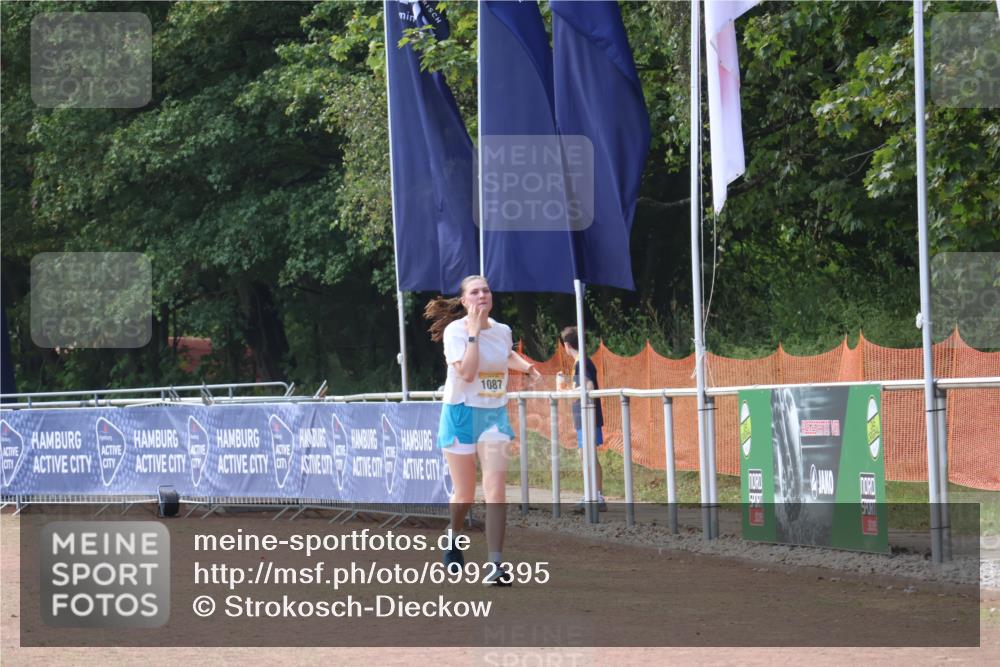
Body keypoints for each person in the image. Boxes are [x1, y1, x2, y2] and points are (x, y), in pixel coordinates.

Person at [424, 275, 541, 586]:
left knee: (496, 491)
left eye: (486, 290)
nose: (482, 295)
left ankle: (495, 565)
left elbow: (505, 354)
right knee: (465, 493)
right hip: (460, 413)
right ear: (464, 301)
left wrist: (526, 367)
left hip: (493, 416)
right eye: (474, 292)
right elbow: (468, 371)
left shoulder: (502, 330)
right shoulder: (455, 331)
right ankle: (453, 534)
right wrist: (473, 334)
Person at [556, 326, 607, 513]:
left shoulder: (581, 363)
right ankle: (594, 494)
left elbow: (588, 387)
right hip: (585, 415)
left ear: (567, 345)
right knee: (586, 455)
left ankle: (595, 495)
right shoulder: (582, 361)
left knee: (587, 455)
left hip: (588, 415)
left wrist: (567, 391)